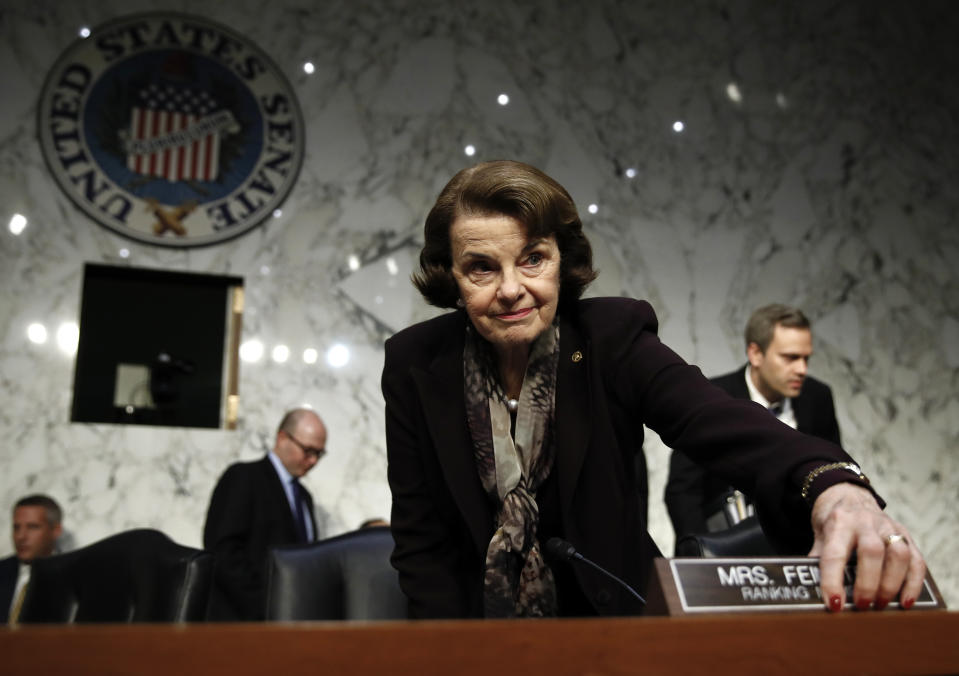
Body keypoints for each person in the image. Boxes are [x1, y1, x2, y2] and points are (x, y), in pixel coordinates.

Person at [382, 159, 926, 619]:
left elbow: (719, 420)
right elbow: (420, 544)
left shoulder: (611, 338)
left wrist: (835, 487)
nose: (511, 289)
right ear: (449, 277)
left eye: (532, 259)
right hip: (476, 642)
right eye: (481, 268)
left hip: (617, 631)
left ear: (561, 260)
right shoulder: (414, 365)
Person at [665, 304, 841, 541]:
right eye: (790, 358)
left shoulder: (817, 397)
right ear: (755, 354)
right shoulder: (712, 397)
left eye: (805, 358)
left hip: (801, 546)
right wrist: (703, 555)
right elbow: (683, 490)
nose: (802, 369)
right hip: (727, 545)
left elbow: (833, 471)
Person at [203, 408, 327, 620]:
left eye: (319, 454)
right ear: (282, 438)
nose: (313, 461)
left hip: (291, 620)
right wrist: (266, 606)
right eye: (308, 450)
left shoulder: (304, 497)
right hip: (244, 621)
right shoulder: (244, 477)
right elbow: (223, 551)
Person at [1, 494, 63, 623]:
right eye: (16, 527)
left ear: (56, 530)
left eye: (32, 527)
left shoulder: (72, 573)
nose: (21, 536)